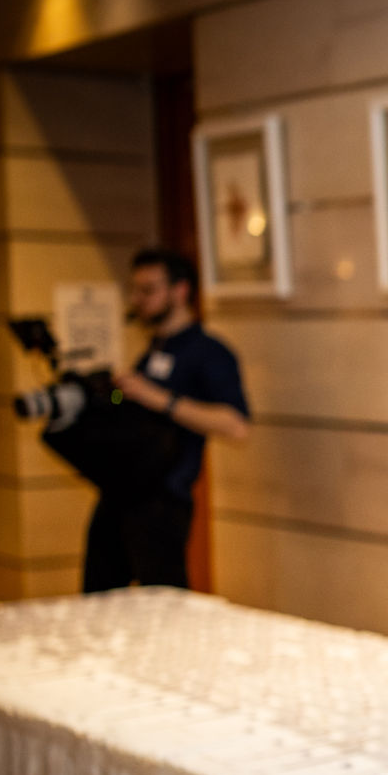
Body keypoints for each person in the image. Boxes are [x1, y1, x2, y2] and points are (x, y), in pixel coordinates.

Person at [85, 247, 250, 592]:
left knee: (164, 600)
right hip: (121, 491)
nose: (138, 300)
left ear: (180, 290)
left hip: (162, 499)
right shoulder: (154, 350)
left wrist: (158, 398)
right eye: (135, 290)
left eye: (148, 290)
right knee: (99, 597)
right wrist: (112, 395)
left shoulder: (208, 352)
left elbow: (236, 425)